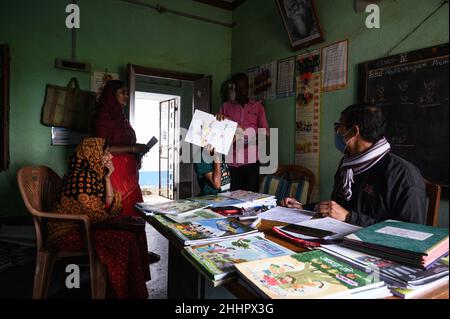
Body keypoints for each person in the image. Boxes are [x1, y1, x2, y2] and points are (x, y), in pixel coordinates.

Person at [282, 103, 427, 227]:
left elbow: (409, 234)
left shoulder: (403, 176)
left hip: (376, 253)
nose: (337, 131)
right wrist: (302, 207)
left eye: (340, 126)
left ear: (354, 131)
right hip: (340, 239)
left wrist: (350, 218)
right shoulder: (348, 165)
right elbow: (337, 208)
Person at [47, 138, 150, 299]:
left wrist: (108, 178)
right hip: (66, 234)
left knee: (136, 228)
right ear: (92, 154)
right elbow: (96, 216)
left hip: (86, 227)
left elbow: (108, 206)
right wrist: (114, 222)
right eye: (106, 152)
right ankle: (120, 294)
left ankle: (132, 291)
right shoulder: (80, 179)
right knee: (124, 238)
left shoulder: (95, 176)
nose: (110, 157)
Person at [94, 80, 150, 217]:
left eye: (127, 93)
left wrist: (138, 153)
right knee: (120, 210)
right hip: (114, 171)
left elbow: (127, 144)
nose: (127, 96)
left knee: (134, 211)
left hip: (129, 172)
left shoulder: (122, 118)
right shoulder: (102, 117)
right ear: (112, 95)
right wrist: (132, 148)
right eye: (123, 93)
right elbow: (102, 147)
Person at [218, 73, 269, 192]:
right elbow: (219, 132)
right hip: (231, 162)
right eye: (238, 88)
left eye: (244, 88)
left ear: (248, 88)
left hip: (251, 162)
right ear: (233, 88)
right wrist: (219, 120)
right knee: (231, 198)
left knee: (251, 199)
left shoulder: (258, 107)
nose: (241, 91)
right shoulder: (225, 107)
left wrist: (245, 141)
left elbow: (264, 134)